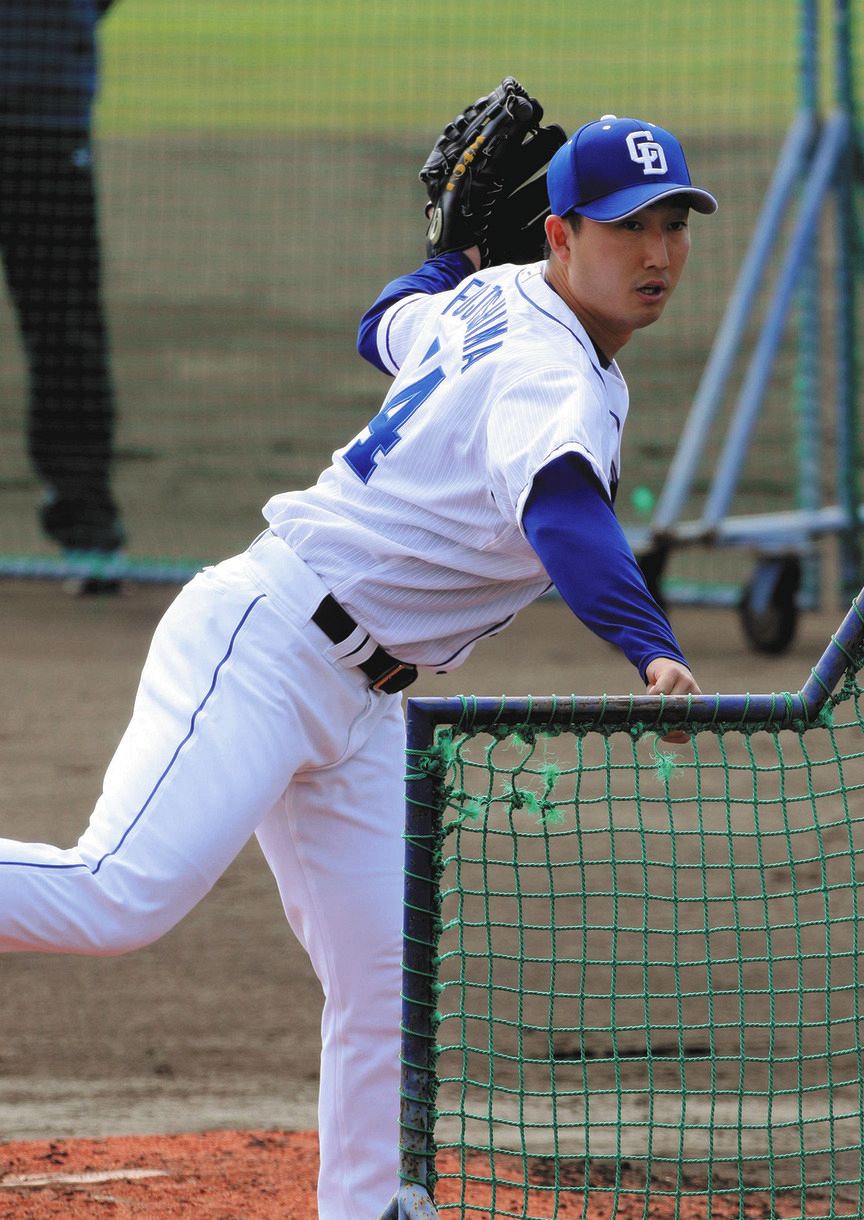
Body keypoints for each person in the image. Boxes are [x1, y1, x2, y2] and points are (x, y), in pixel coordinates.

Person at [0, 114, 716, 1218]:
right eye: (627, 227)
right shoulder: (548, 370)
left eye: (672, 225)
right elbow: (565, 515)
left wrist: (450, 258)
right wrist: (650, 644)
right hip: (267, 646)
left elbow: (383, 324)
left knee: (388, 974)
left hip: (362, 697)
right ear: (561, 234)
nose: (657, 253)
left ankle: (369, 1206)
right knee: (117, 896)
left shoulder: (492, 298)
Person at [0, 1, 125, 590]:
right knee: (65, 329)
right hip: (49, 100)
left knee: (64, 329)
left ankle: (88, 528)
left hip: (44, 110)